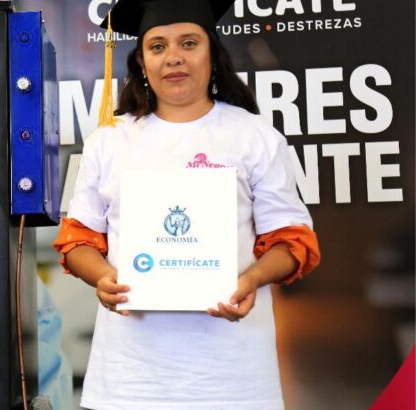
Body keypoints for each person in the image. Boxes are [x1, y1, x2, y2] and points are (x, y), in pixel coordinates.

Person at [52, 0, 321, 408]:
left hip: (234, 378)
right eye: (157, 46)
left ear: (213, 54)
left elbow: (292, 240)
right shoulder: (109, 141)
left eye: (189, 43)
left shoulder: (254, 136)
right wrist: (103, 277)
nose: (173, 57)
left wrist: (251, 279)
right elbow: (78, 240)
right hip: (128, 381)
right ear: (141, 62)